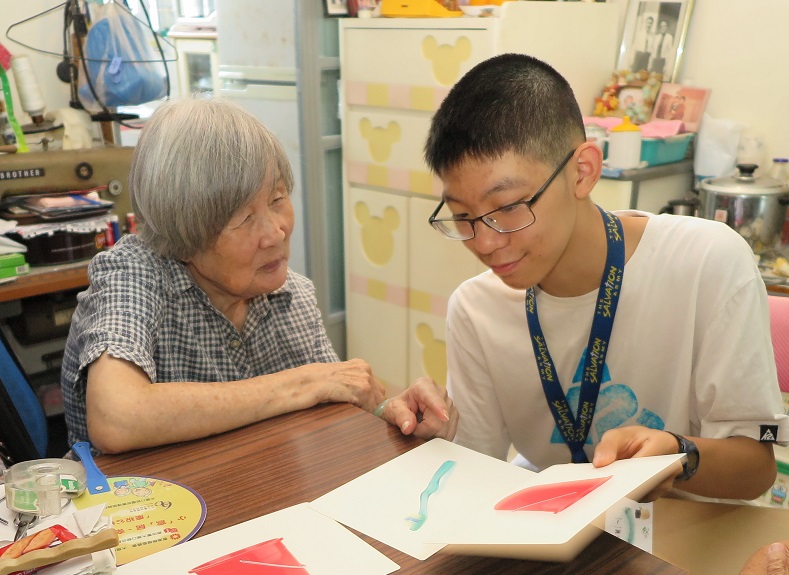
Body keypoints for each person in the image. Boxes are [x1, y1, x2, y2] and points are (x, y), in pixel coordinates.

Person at [423, 53, 788, 502]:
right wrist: (427, 431)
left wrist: (680, 454)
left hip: (690, 527)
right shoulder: (476, 308)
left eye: (507, 207)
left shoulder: (708, 262)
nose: (484, 243)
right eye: (462, 216)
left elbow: (757, 468)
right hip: (560, 531)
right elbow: (473, 469)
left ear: (583, 172)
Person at [61, 97, 457, 455]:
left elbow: (334, 402)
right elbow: (117, 418)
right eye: (243, 218)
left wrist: (396, 413)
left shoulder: (289, 293)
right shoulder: (134, 272)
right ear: (182, 232)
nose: (276, 233)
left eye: (278, 199)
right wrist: (303, 383)